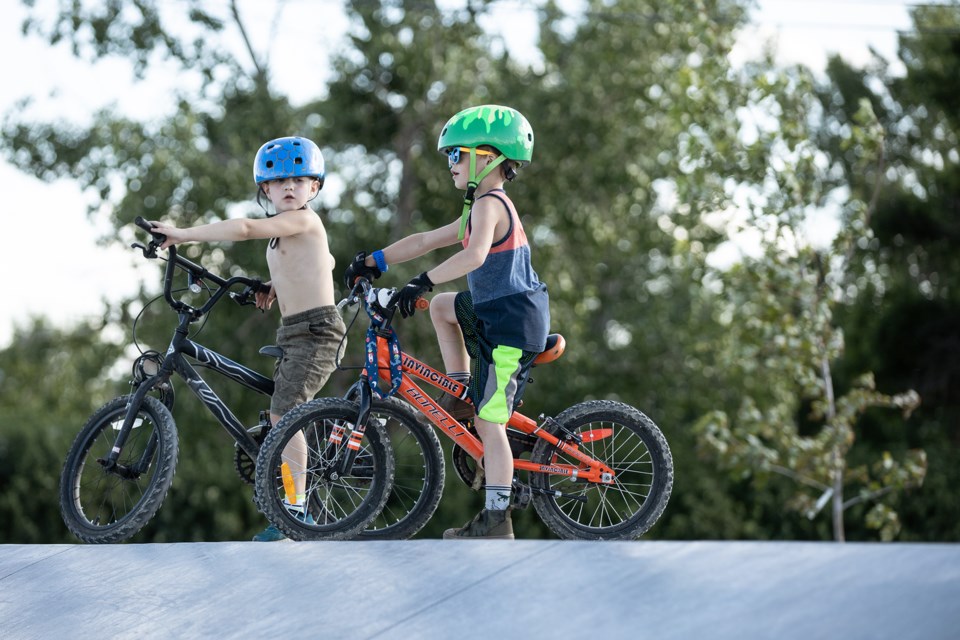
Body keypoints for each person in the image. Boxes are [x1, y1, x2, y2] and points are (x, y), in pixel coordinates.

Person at [344, 105, 549, 540]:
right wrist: (373, 259)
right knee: (441, 307)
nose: (450, 163)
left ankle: (498, 519)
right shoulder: (477, 208)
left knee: (491, 422)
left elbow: (473, 256)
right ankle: (458, 389)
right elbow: (423, 240)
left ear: (486, 157)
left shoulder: (492, 205)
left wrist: (420, 280)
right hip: (494, 312)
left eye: (456, 154)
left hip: (514, 323)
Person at [150, 136, 346, 542]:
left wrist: (182, 234)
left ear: (314, 188)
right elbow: (322, 260)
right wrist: (273, 285)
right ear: (266, 190)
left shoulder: (304, 219)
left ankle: (297, 514)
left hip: (317, 332)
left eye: (299, 180)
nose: (289, 187)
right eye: (279, 182)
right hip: (294, 332)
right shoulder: (287, 234)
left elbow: (243, 227)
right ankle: (294, 499)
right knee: (281, 411)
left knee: (285, 415)